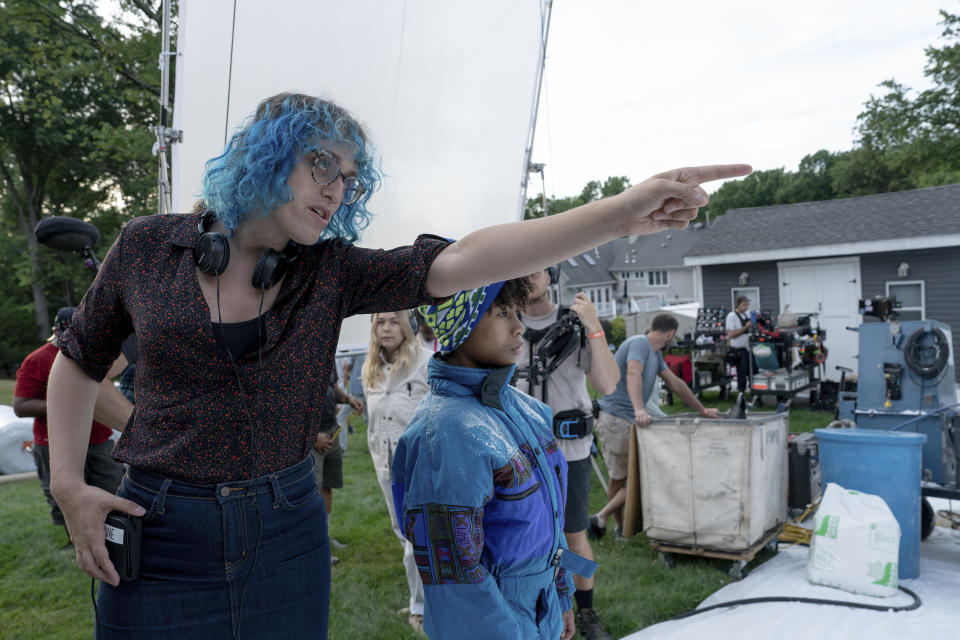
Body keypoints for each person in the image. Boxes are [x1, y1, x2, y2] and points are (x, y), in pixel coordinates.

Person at [45, 90, 748, 639]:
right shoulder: (145, 248)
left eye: (349, 178)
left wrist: (621, 214)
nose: (337, 190)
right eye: (322, 165)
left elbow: (466, 259)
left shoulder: (333, 272)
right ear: (266, 154)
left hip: (286, 530)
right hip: (162, 530)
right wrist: (72, 487)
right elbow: (75, 364)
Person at [392, 278, 596, 640]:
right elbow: (456, 578)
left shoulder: (530, 410)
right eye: (501, 313)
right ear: (459, 326)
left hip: (543, 608)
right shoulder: (444, 434)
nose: (519, 326)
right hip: (500, 623)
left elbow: (551, 522)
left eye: (516, 311)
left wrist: (562, 595)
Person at [516, 270, 619, 640]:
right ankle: (533, 606)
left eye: (537, 267)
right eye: (521, 266)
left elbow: (606, 384)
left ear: (551, 274)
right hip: (518, 453)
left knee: (573, 535)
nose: (528, 275)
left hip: (568, 453)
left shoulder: (574, 324)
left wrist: (594, 326)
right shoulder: (502, 321)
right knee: (523, 535)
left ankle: (586, 609)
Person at [589, 314, 721, 540]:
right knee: (641, 476)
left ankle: (610, 523)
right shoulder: (639, 343)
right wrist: (640, 409)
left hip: (622, 420)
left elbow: (675, 383)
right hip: (616, 419)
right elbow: (633, 372)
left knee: (622, 477)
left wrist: (703, 410)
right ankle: (613, 523)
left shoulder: (655, 354)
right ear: (670, 333)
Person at [13, 307, 126, 535]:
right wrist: (67, 402)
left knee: (115, 488)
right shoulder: (36, 360)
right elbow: (20, 405)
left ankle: (118, 538)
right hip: (54, 441)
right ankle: (76, 540)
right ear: (57, 330)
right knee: (69, 499)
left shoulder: (96, 352)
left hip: (98, 438)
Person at [361, 309, 431, 633]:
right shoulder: (370, 370)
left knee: (415, 540)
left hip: (419, 464)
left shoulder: (425, 362)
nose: (386, 328)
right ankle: (422, 596)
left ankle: (421, 608)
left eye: (392, 321)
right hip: (385, 465)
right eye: (380, 322)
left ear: (406, 325)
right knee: (404, 533)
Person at [312, 369, 362, 565]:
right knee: (311, 494)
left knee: (326, 487)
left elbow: (331, 385)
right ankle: (314, 546)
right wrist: (312, 437)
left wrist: (348, 399)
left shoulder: (326, 345)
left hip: (331, 430)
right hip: (313, 437)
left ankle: (324, 537)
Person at [726, 296, 754, 394]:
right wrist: (745, 327)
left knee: (753, 371)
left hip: (748, 349)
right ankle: (741, 395)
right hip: (738, 350)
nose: (746, 307)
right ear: (737, 304)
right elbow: (731, 334)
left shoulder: (746, 314)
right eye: (744, 304)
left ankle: (754, 392)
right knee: (741, 373)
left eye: (747, 304)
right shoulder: (731, 316)